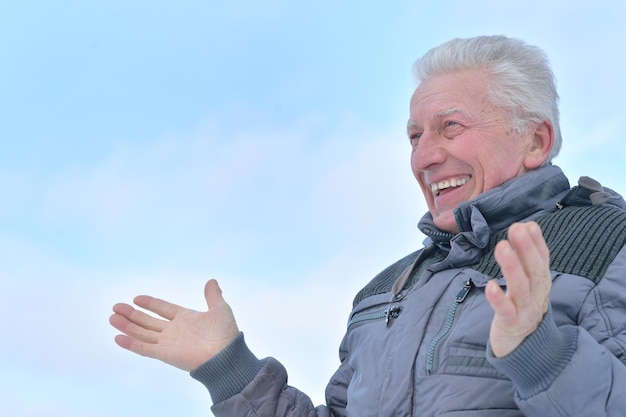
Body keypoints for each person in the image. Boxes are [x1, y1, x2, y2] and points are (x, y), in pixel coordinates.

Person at [109, 35, 626, 416]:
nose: (424, 156)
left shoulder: (609, 243)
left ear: (535, 140)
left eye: (450, 126)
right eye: (414, 136)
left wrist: (539, 352)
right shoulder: (387, 289)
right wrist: (229, 369)